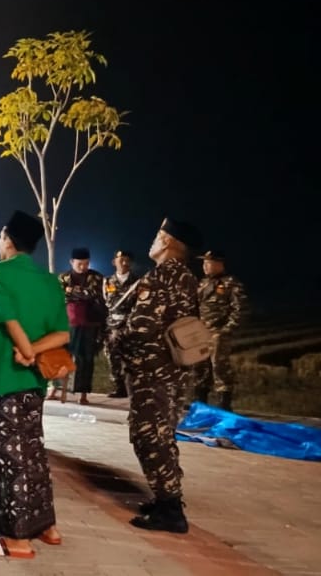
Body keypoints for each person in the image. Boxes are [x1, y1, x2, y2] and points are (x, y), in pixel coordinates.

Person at [0, 211, 68, 559]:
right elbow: (62, 333)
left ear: (8, 239)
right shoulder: (50, 280)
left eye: (1, 237)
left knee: (9, 456)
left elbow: (7, 318)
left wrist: (25, 350)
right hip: (34, 380)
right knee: (33, 450)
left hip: (4, 376)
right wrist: (36, 352)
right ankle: (47, 526)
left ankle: (18, 539)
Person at [122, 218, 201, 534]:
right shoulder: (187, 278)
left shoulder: (161, 276)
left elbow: (140, 327)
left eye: (158, 235)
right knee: (163, 435)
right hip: (175, 371)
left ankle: (170, 510)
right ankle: (167, 498)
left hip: (152, 372)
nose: (153, 241)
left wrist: (120, 343)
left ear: (167, 242)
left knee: (148, 436)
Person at [194, 250, 248, 410]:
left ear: (219, 264)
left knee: (219, 367)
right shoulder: (202, 283)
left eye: (208, 263)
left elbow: (240, 309)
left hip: (218, 333)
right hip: (201, 332)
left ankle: (224, 404)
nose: (204, 266)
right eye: (203, 263)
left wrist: (226, 329)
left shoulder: (231, 283)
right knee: (200, 367)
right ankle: (200, 402)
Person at [56, 248, 107, 405]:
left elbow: (93, 294)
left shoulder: (96, 276)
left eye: (86, 263)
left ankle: (83, 393)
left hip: (89, 323)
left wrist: (71, 291)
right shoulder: (63, 277)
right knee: (62, 356)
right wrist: (81, 294)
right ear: (72, 262)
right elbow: (59, 294)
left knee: (85, 359)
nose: (83, 267)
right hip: (66, 323)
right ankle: (57, 389)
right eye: (79, 263)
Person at [103, 250, 141, 398]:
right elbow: (105, 303)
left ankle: (132, 387)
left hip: (129, 325)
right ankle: (119, 387)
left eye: (127, 260)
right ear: (114, 262)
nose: (124, 263)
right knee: (113, 356)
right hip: (112, 325)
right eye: (121, 260)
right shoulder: (107, 281)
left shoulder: (137, 282)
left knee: (131, 358)